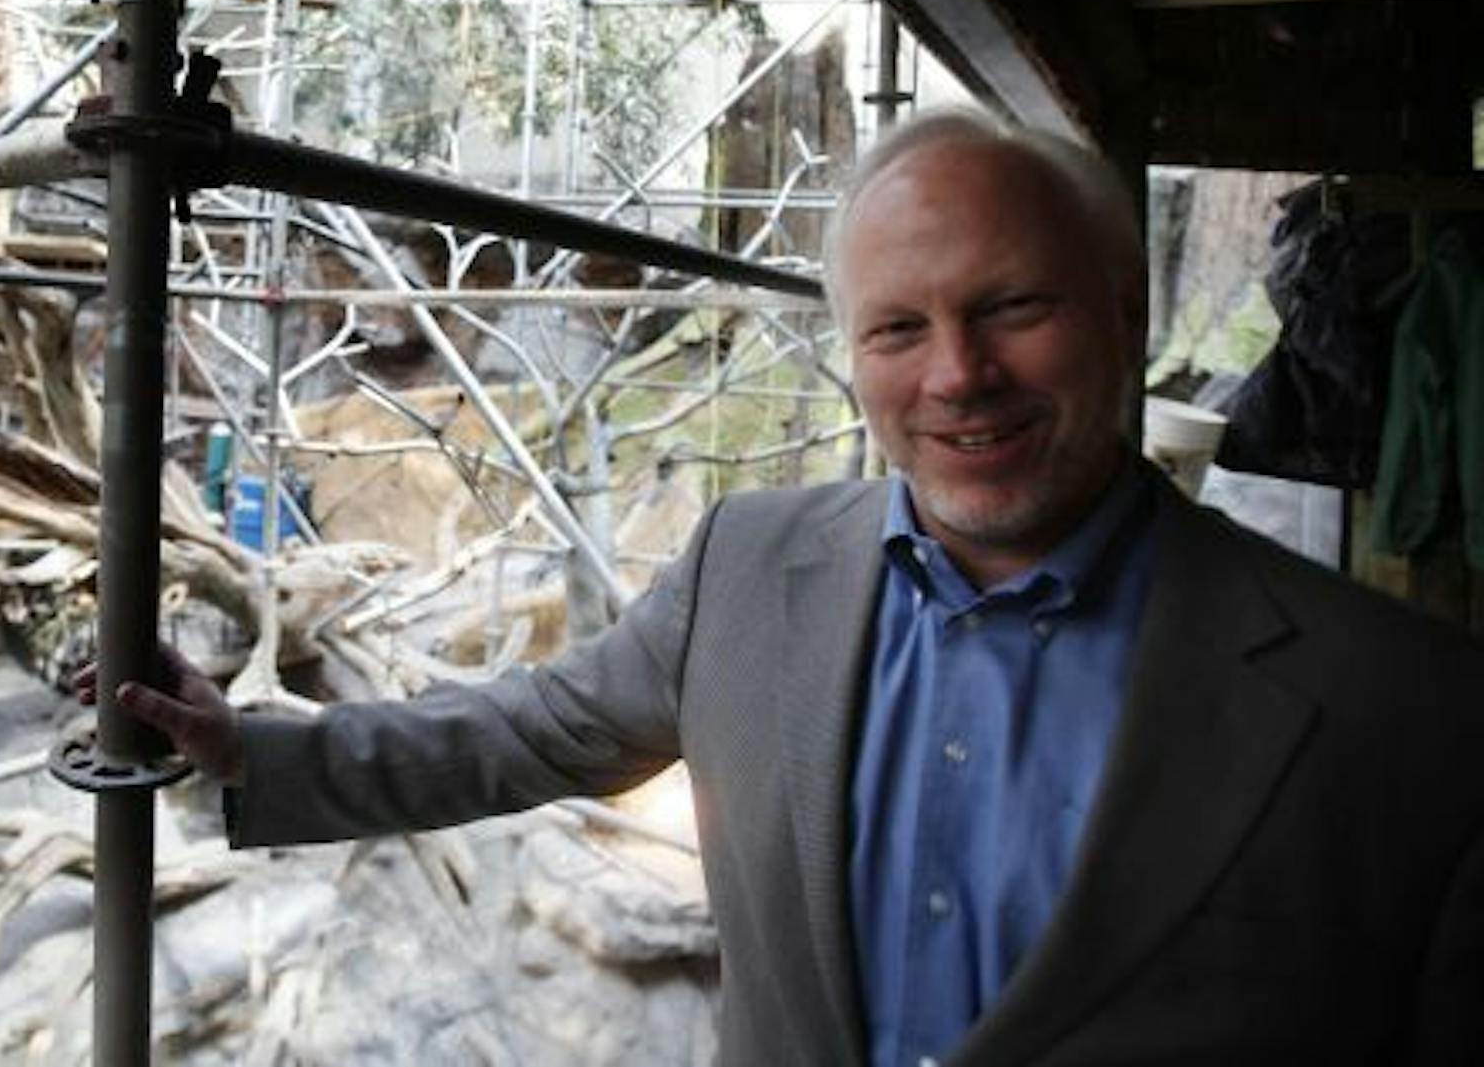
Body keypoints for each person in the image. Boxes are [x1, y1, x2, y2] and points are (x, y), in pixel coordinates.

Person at [95, 111, 1484, 1066]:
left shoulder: (1401, 713)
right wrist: (254, 753)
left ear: (1126, 311)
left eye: (1013, 307)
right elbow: (527, 729)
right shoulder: (750, 568)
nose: (957, 374)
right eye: (898, 327)